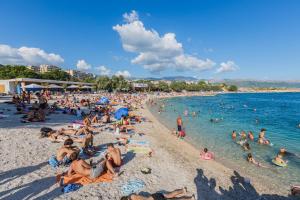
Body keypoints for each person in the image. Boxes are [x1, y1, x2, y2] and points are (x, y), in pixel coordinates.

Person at [120, 187, 195, 200]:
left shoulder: (133, 198)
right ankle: (182, 190)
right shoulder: (132, 196)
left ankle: (191, 198)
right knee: (170, 195)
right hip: (154, 196)